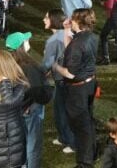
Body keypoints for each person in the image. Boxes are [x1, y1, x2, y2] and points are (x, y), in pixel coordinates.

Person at [53, 8, 98, 168]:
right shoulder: (90, 37)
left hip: (77, 89)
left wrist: (55, 66)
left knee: (80, 126)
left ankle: (85, 162)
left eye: (72, 19)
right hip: (90, 83)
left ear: (78, 21)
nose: (69, 21)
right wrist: (66, 30)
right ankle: (92, 151)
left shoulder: (78, 44)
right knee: (88, 121)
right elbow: (70, 47)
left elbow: (70, 74)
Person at [7, 32, 51, 168]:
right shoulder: (29, 67)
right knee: (32, 143)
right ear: (21, 46)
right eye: (26, 40)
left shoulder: (7, 64)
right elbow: (38, 91)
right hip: (29, 109)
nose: (28, 41)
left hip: (13, 110)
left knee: (19, 142)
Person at [41, 9, 75, 154]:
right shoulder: (67, 35)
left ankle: (72, 142)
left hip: (63, 80)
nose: (44, 19)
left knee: (63, 112)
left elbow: (47, 64)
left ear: (54, 20)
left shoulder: (53, 40)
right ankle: (63, 137)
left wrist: (38, 74)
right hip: (66, 79)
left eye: (47, 17)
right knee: (60, 110)